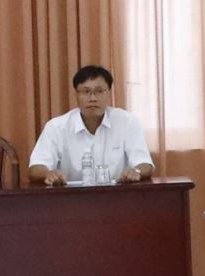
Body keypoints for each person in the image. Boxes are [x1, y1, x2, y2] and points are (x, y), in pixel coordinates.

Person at [28, 64, 156, 186]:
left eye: (99, 91)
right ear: (76, 94)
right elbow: (35, 167)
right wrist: (48, 173)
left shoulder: (127, 122)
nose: (93, 98)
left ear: (109, 93)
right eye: (86, 92)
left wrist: (136, 171)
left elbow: (145, 164)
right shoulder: (56, 127)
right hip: (72, 197)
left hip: (118, 195)